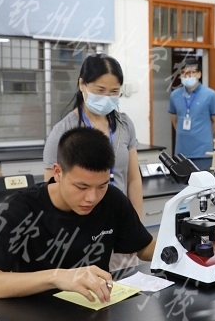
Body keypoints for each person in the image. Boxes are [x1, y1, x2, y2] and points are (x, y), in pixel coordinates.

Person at [0, 127, 215, 303]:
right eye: (81, 187)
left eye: (102, 185)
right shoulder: (20, 209)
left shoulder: (112, 200)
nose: (92, 198)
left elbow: (144, 248)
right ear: (58, 172)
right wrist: (58, 276)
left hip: (97, 307)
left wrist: (195, 245)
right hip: (34, 311)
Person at [43, 54, 143, 218]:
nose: (107, 97)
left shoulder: (124, 124)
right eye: (100, 91)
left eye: (114, 92)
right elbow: (51, 188)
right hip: (81, 220)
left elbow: (133, 179)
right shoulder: (63, 131)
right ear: (82, 84)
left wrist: (137, 220)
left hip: (119, 216)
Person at [168, 57, 215, 170]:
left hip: (203, 152)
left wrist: (206, 136)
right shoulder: (175, 95)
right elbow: (174, 120)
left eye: (191, 72)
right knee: (182, 181)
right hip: (181, 151)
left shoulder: (210, 95)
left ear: (199, 74)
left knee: (202, 180)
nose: (187, 76)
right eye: (183, 73)